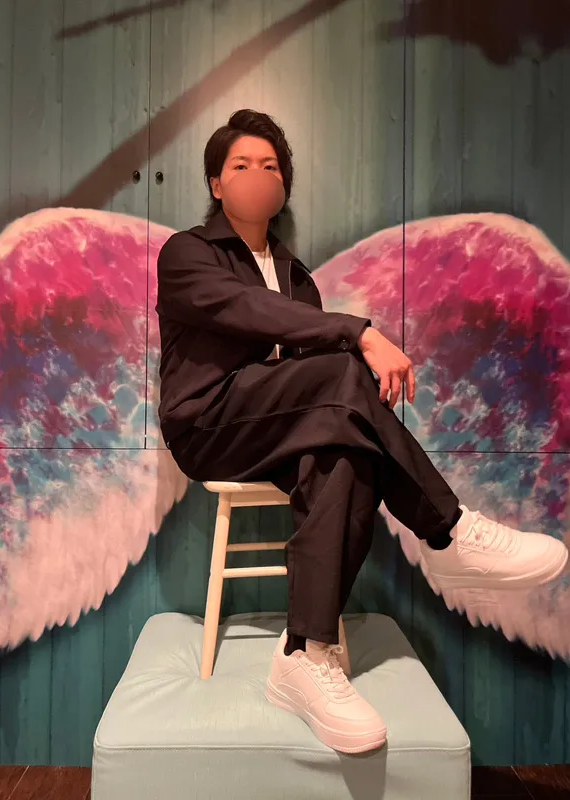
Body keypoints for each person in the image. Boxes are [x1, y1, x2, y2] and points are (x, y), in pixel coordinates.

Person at [155, 109, 568, 754]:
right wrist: (360, 333)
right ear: (216, 182)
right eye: (241, 164)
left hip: (277, 428)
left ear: (284, 184)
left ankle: (305, 655)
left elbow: (306, 372)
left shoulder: (297, 278)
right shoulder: (188, 253)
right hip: (208, 425)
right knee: (345, 371)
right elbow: (247, 311)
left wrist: (344, 349)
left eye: (270, 165)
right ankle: (449, 530)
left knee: (346, 456)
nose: (258, 175)